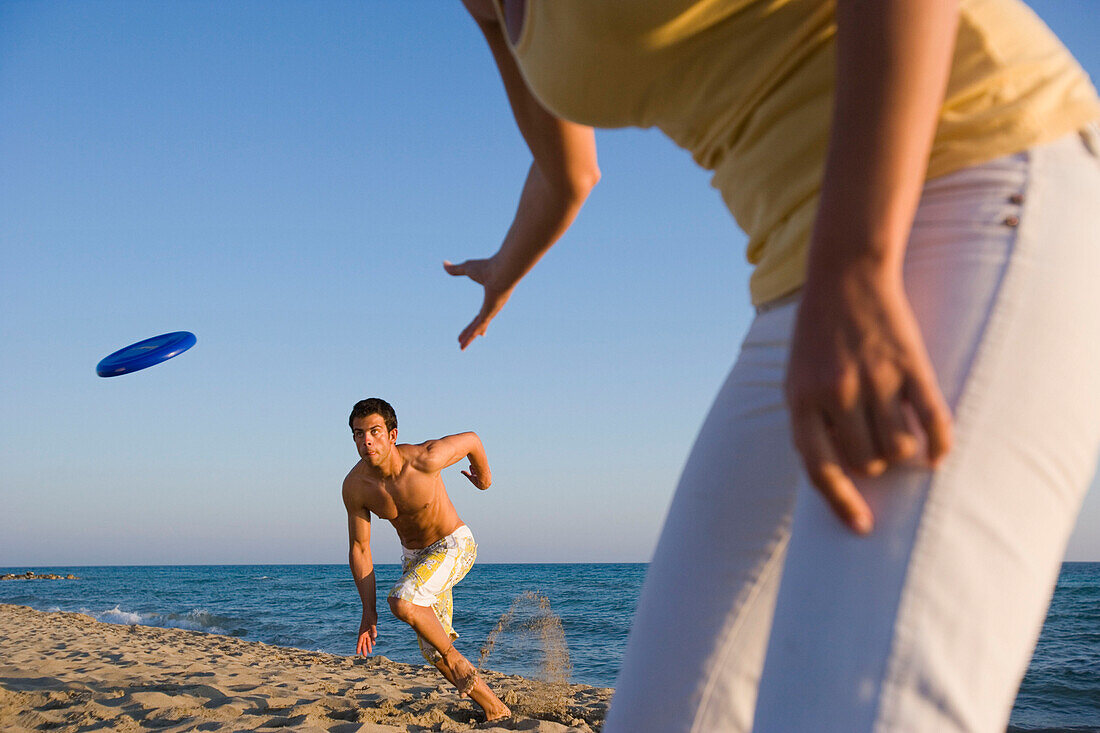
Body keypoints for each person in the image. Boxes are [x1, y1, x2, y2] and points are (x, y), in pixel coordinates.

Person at [447, 1, 1100, 731]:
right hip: (805, 282)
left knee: (865, 712)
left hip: (979, 175)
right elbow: (565, 169)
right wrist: (503, 269)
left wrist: (859, 260)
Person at [342, 398, 510, 722]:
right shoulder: (355, 486)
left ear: (392, 435)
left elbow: (473, 439)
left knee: (403, 600)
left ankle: (456, 657)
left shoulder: (425, 458)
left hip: (453, 546)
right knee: (434, 649)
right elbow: (360, 548)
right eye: (358, 434)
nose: (367, 441)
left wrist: (485, 479)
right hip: (417, 561)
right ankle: (495, 708)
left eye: (375, 432)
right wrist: (368, 611)